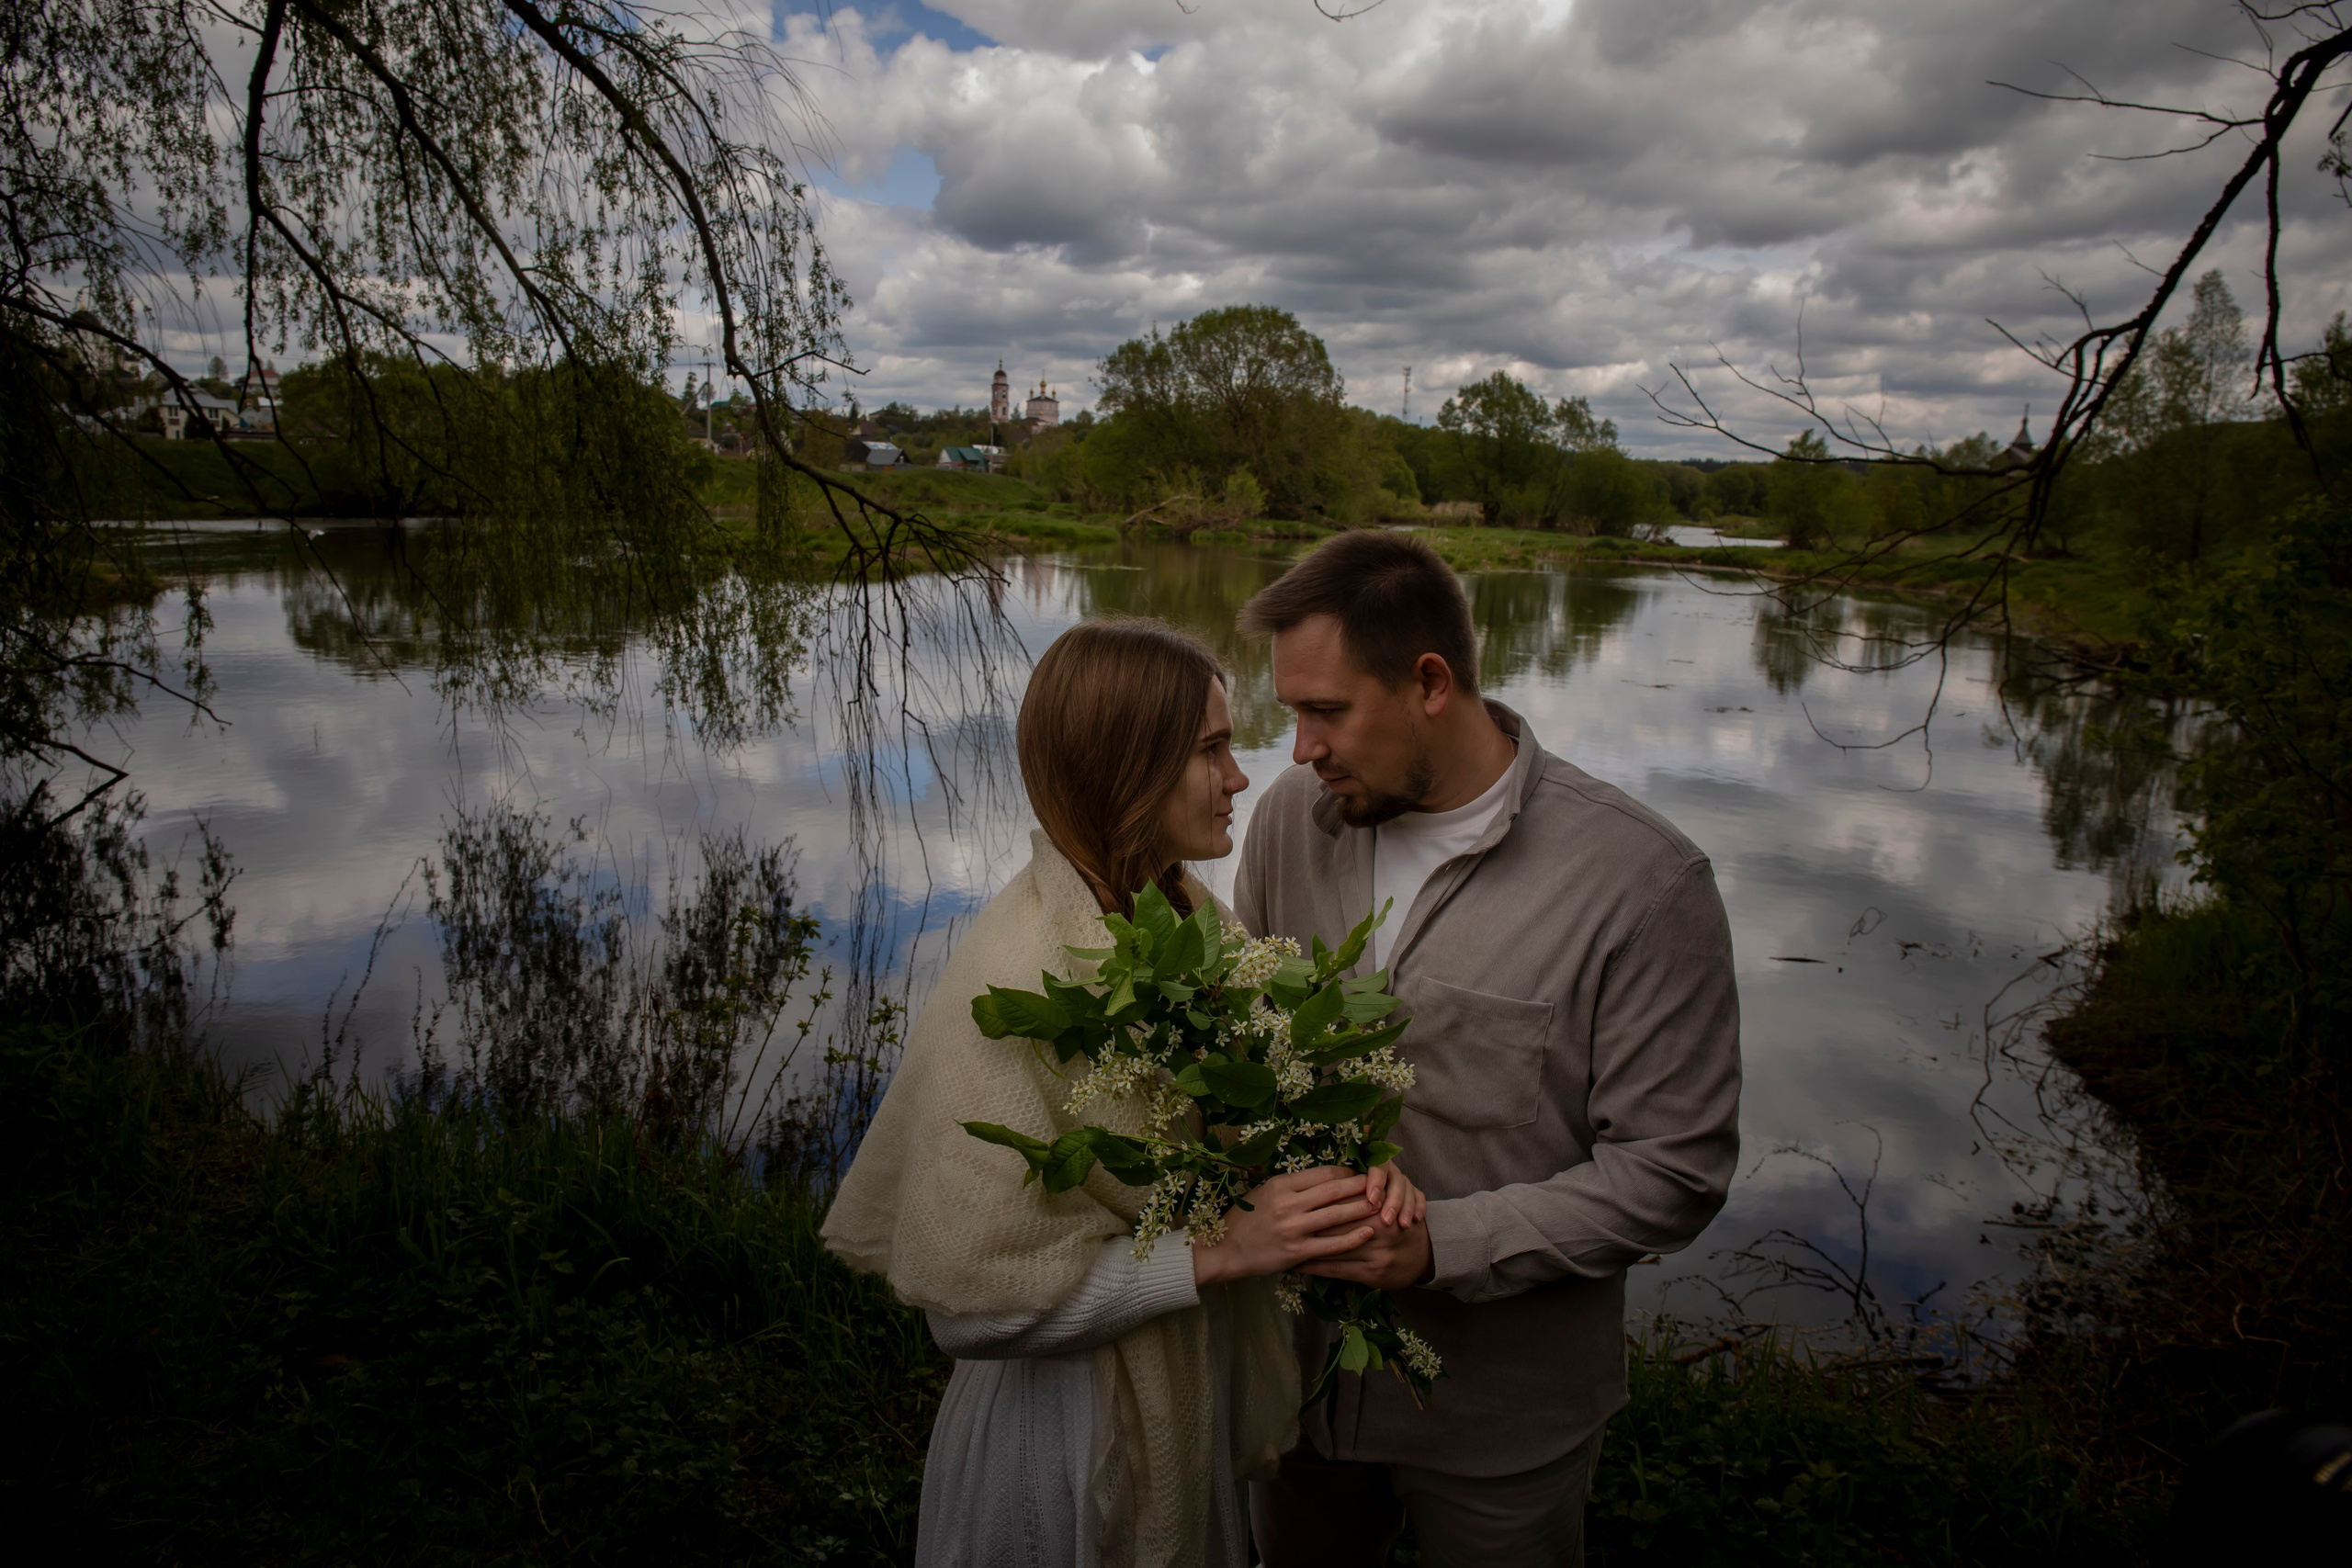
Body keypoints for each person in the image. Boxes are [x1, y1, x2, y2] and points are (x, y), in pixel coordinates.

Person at [821, 616, 1427, 1568]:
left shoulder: (1188, 920)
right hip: (1062, 1446)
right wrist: (1217, 1250)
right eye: (1210, 749)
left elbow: (1252, 1117)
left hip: (1182, 1393)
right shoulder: (1017, 981)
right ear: (1124, 767)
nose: (1238, 777)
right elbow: (969, 1307)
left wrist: (1354, 1166)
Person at [1231, 532, 1744, 1568]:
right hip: (1290, 1393)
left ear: (1429, 682)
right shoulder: (1293, 820)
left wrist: (1440, 1246)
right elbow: (1248, 1050)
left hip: (1499, 1426)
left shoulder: (1641, 882)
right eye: (1290, 713)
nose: (1298, 750)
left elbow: (1674, 1171)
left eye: (1323, 711)